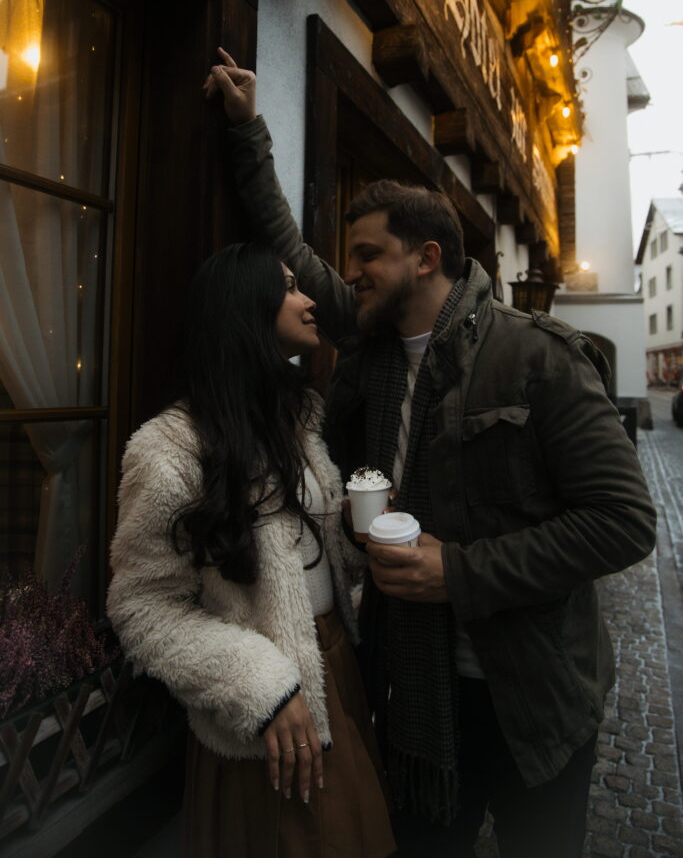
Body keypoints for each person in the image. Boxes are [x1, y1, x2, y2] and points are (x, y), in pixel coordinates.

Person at [204, 48, 657, 858]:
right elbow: (290, 250)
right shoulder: (372, 348)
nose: (348, 274)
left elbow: (623, 523)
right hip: (416, 701)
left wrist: (460, 571)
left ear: (426, 258)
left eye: (368, 256)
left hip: (535, 702)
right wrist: (248, 132)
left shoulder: (536, 357)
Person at [106, 243, 396, 858]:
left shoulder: (298, 419)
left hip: (336, 672)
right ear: (246, 310)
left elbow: (303, 564)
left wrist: (352, 536)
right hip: (264, 710)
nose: (310, 299)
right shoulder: (168, 450)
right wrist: (260, 686)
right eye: (290, 287)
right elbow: (142, 608)